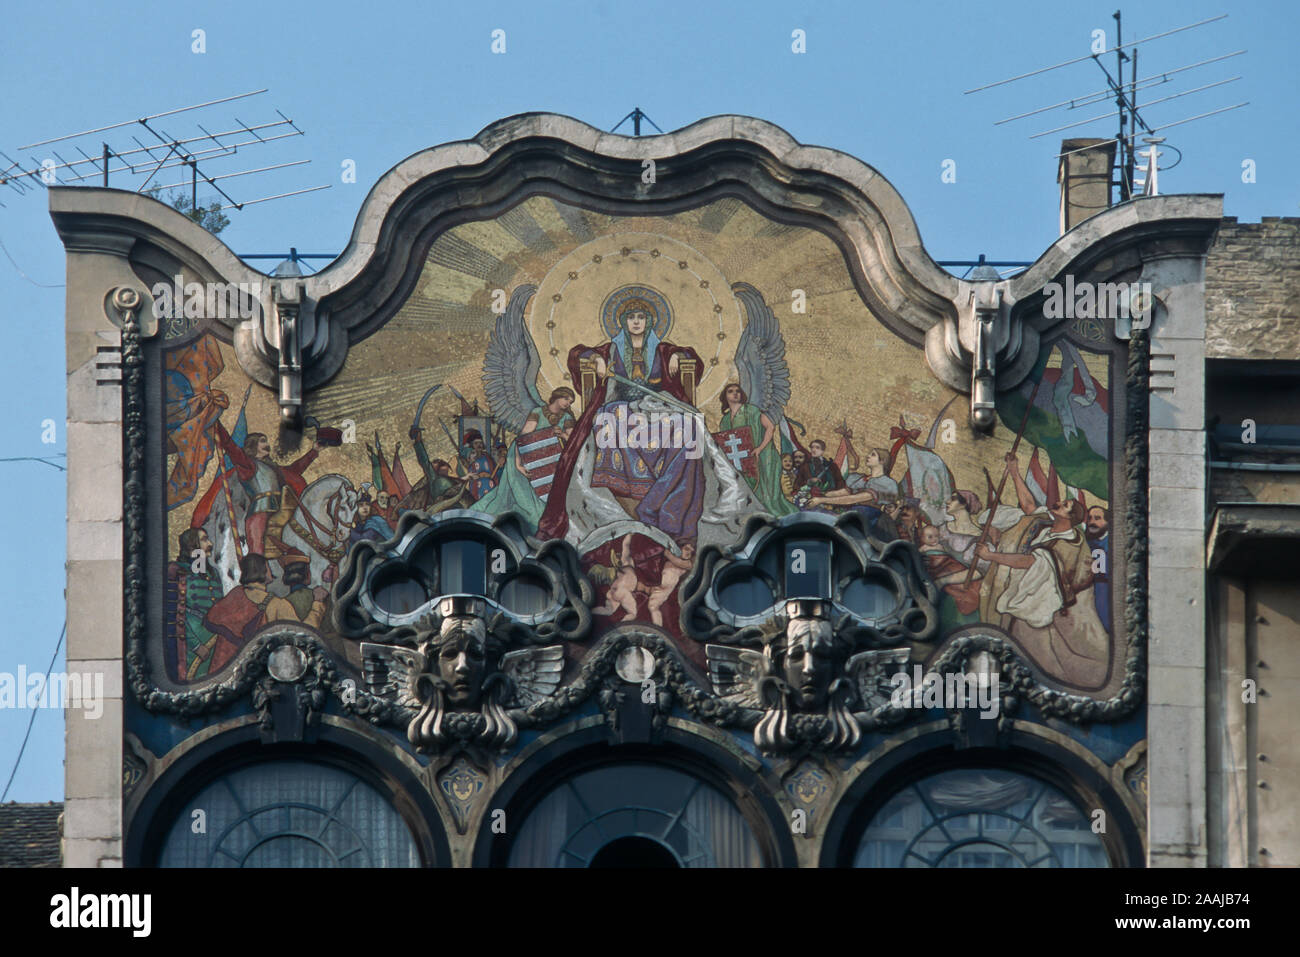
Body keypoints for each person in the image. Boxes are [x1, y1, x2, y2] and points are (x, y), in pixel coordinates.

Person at [974, 453, 1109, 689]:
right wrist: (1014, 472)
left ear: (1070, 518)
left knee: (1038, 655)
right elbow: (1028, 506)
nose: (1058, 504)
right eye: (1062, 503)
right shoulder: (1049, 524)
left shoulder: (1067, 544)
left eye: (1065, 506)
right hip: (1024, 596)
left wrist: (990, 555)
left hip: (1040, 608)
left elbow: (1028, 562)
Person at [473, 387, 577, 531]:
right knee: (522, 497)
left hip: (547, 461)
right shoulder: (538, 412)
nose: (568, 403)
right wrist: (518, 464)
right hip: (522, 456)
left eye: (570, 402)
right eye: (566, 399)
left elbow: (573, 440)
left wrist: (563, 435)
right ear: (558, 396)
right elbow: (522, 439)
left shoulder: (566, 418)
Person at [213, 424, 319, 556]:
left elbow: (294, 471)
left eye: (267, 440)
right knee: (257, 551)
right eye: (262, 441)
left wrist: (314, 452)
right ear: (253, 446)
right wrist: (217, 424)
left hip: (281, 510)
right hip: (260, 511)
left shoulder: (272, 468)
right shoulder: (249, 466)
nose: (267, 444)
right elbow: (231, 447)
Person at [717, 383, 794, 516]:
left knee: (768, 495)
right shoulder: (724, 420)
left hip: (764, 456)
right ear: (725, 396)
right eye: (730, 391)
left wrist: (760, 448)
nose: (735, 393)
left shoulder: (752, 411)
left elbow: (770, 428)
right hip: (742, 461)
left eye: (737, 391)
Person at [165, 528, 224, 682]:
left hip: (215, 639)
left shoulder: (213, 573)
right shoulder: (175, 571)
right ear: (192, 546)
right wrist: (197, 646)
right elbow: (174, 614)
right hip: (192, 643)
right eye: (204, 540)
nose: (210, 543)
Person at [203, 554, 275, 671]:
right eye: (267, 567)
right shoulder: (269, 600)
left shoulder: (237, 592)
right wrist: (239, 642)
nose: (270, 571)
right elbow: (210, 621)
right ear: (260, 570)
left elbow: (209, 621)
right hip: (231, 658)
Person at [457, 430, 496, 501]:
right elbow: (470, 474)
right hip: (478, 486)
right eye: (476, 443)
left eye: (480, 443)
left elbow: (494, 471)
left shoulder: (488, 457)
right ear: (472, 445)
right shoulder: (471, 460)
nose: (479, 445)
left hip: (490, 484)